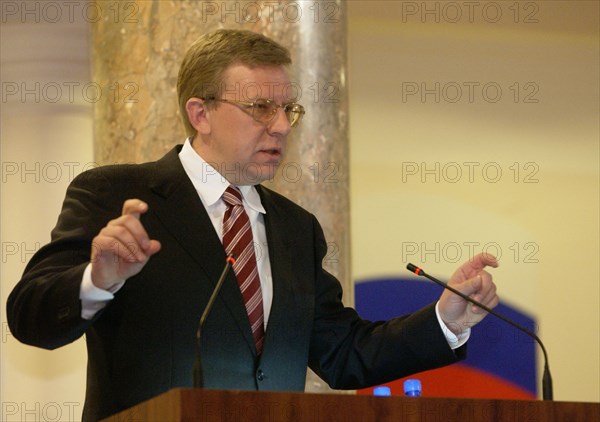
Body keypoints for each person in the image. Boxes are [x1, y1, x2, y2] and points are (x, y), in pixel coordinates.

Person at [7, 29, 499, 421]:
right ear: (200, 113)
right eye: (261, 107)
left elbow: (344, 354)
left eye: (288, 109)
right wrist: (99, 280)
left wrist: (447, 319)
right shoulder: (114, 194)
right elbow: (31, 319)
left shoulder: (294, 228)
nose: (282, 125)